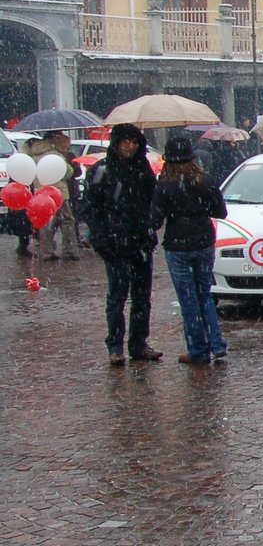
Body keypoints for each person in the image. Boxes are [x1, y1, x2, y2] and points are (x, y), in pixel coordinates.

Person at [80, 123, 162, 365]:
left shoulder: (143, 169)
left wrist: (150, 227)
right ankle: (115, 345)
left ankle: (139, 343)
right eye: (126, 141)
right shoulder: (102, 170)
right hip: (115, 244)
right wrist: (101, 238)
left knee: (142, 296)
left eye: (135, 142)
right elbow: (90, 209)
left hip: (141, 243)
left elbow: (153, 203)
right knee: (117, 296)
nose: (130, 146)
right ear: (116, 144)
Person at [148, 134, 228, 365]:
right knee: (204, 296)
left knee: (189, 300)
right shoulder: (206, 181)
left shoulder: (165, 185)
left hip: (178, 246)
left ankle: (198, 350)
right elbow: (221, 212)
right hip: (203, 243)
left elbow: (155, 220)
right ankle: (217, 343)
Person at [26, 131, 81, 260]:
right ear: (54, 139)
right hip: (58, 192)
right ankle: (69, 250)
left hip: (41, 192)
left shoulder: (35, 154)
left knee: (46, 222)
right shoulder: (55, 155)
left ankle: (47, 251)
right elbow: (68, 172)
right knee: (67, 220)